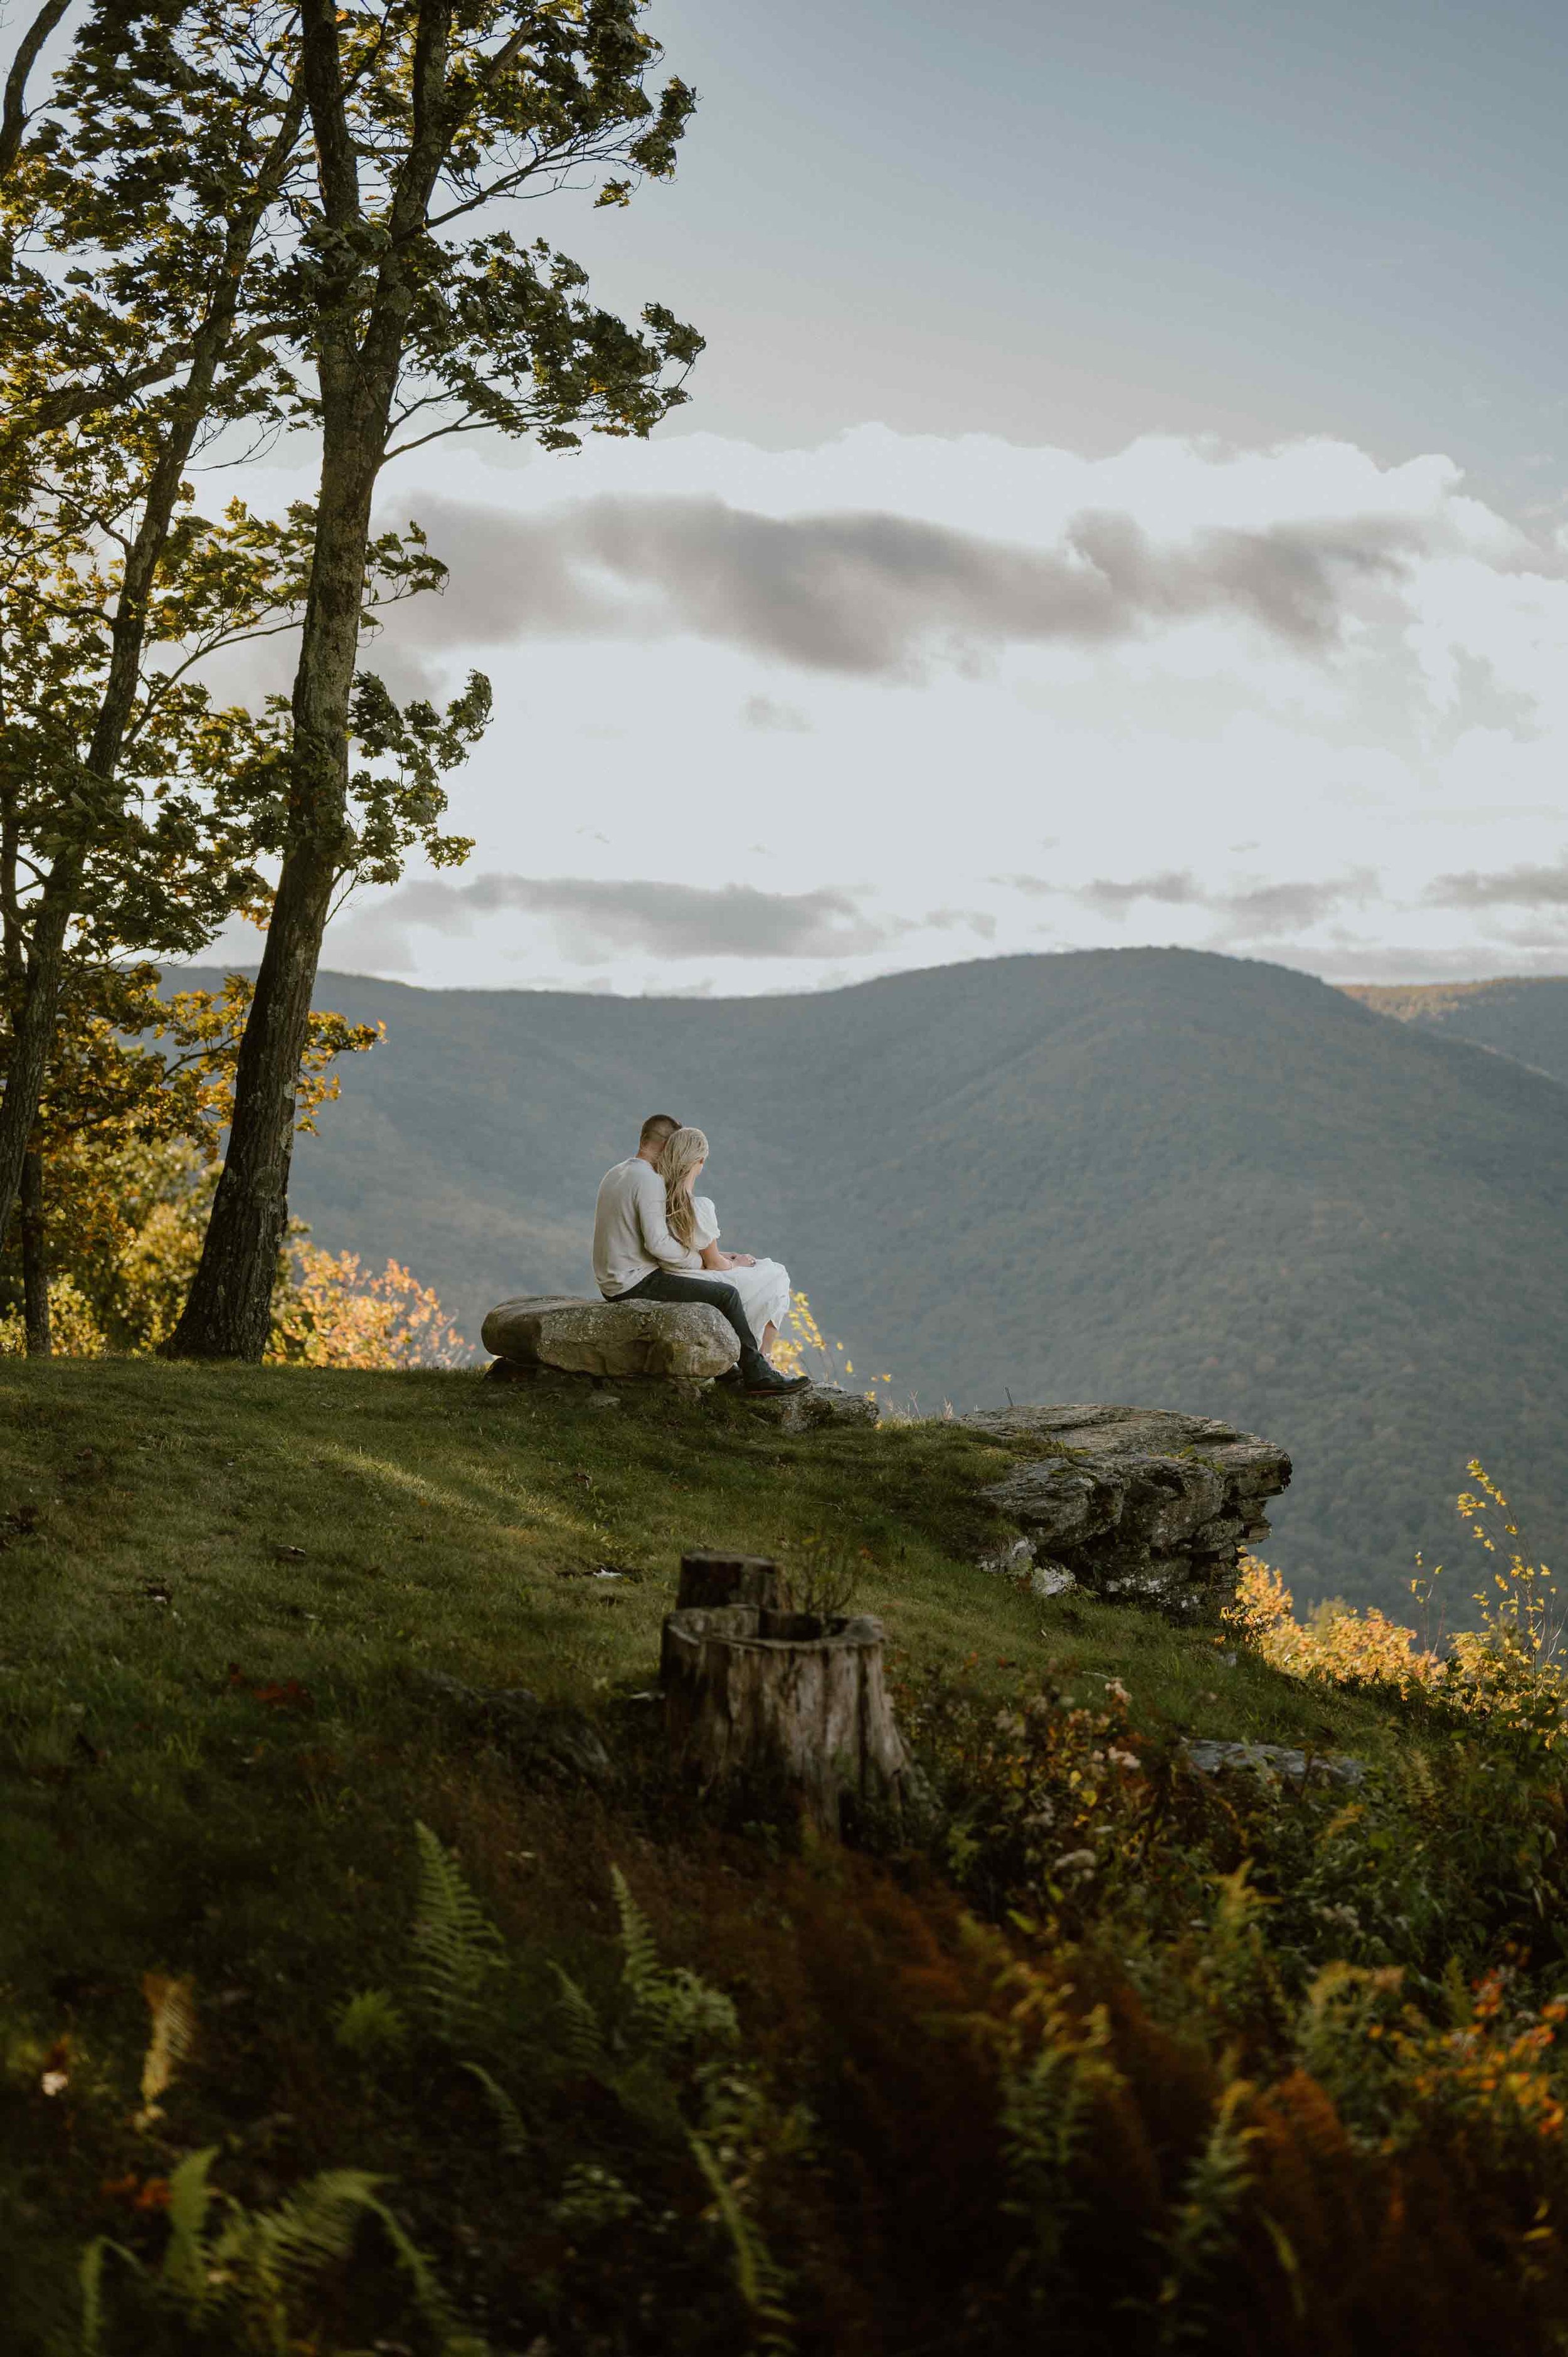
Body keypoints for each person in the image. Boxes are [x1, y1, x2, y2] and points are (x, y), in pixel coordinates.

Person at [591, 1114, 808, 1396]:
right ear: (668, 1144)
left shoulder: (617, 1172)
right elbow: (658, 1244)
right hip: (634, 1282)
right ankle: (758, 1374)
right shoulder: (649, 1180)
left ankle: (729, 1372)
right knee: (725, 1295)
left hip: (611, 1279)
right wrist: (700, 1262)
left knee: (717, 1289)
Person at [657, 1125, 792, 1360]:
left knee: (764, 1273)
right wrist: (737, 1262)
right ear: (699, 1162)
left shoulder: (658, 1202)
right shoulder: (699, 1206)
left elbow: (694, 1249)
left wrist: (725, 1255)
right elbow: (714, 1264)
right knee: (777, 1274)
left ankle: (753, 1352)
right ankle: (763, 1357)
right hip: (696, 1277)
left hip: (673, 1275)